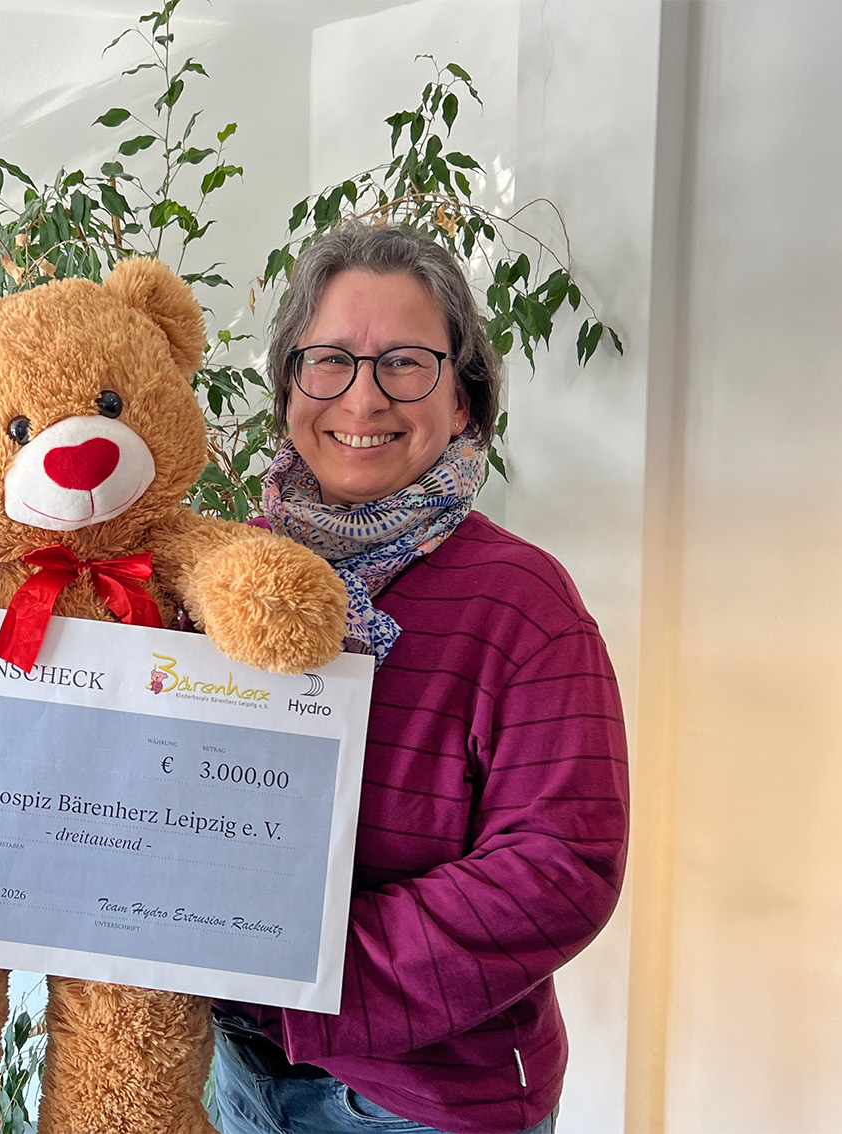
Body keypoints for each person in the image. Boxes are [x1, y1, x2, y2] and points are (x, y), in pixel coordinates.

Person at [211, 223, 630, 1134]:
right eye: (327, 361)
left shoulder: (525, 602)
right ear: (288, 388)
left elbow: (560, 866)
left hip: (425, 1104)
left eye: (405, 363)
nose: (361, 396)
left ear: (465, 402)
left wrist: (305, 974)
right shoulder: (222, 576)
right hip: (229, 1071)